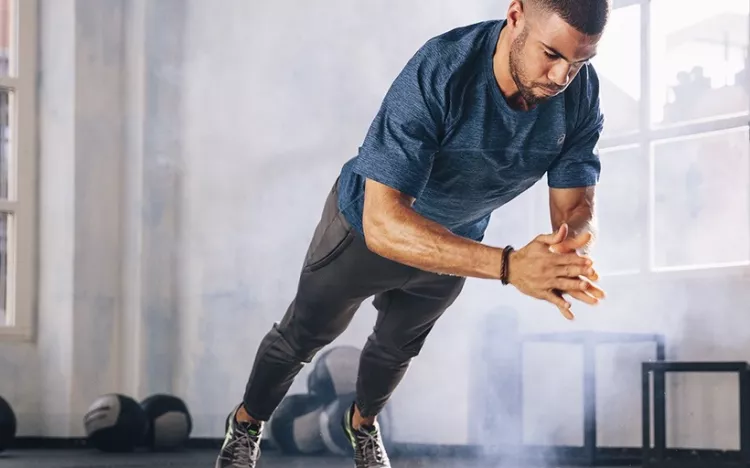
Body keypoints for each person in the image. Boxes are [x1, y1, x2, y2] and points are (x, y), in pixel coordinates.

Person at [216, 0, 610, 466]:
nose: (562, 77)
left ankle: (361, 427)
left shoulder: (579, 92)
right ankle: (246, 423)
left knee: (395, 348)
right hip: (364, 229)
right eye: (552, 54)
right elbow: (384, 223)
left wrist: (568, 249)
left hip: (454, 242)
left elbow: (576, 205)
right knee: (303, 334)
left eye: (580, 61)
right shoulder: (441, 69)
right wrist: (509, 266)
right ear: (516, 15)